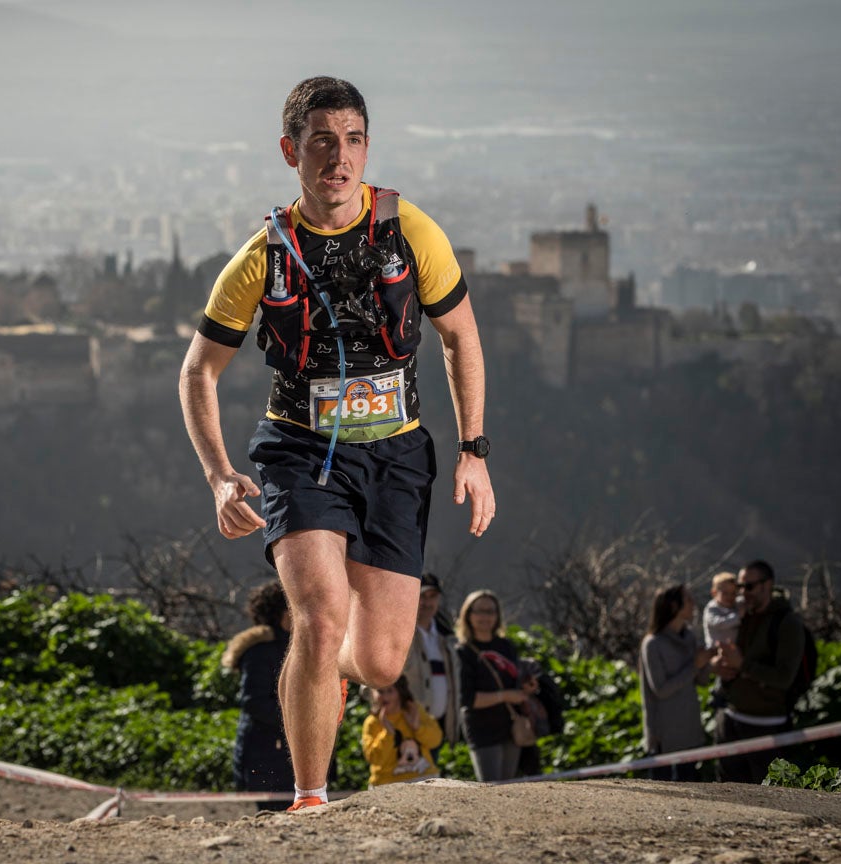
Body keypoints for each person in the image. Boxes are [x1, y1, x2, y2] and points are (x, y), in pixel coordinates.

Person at [179, 76, 495, 811]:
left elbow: (460, 336)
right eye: (322, 141)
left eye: (352, 140)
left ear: (367, 148)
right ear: (291, 151)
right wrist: (220, 475)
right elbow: (198, 370)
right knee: (319, 623)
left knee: (381, 664)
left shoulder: (409, 231)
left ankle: (327, 669)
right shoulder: (263, 255)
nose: (339, 157)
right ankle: (310, 797)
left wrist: (474, 452)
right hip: (300, 452)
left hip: (396, 455)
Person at [712, 560, 805, 783]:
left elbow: (784, 678)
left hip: (767, 728)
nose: (743, 593)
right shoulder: (741, 616)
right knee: (728, 792)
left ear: (768, 585)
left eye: (749, 586)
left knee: (769, 796)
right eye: (740, 587)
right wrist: (717, 665)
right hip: (730, 720)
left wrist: (742, 665)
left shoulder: (787, 623)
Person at [221, 580, 294, 804]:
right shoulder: (260, 651)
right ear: (284, 611)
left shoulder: (294, 646)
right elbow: (254, 702)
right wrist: (298, 722)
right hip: (267, 756)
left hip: (284, 755)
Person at [454, 590, 536, 782]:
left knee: (508, 787)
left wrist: (526, 687)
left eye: (490, 611)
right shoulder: (462, 652)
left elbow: (515, 680)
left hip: (511, 726)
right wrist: (505, 696)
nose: (485, 617)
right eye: (479, 611)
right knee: (491, 789)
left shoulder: (506, 646)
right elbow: (467, 699)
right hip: (482, 730)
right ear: (468, 615)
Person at [639, 584, 714, 781]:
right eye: (688, 600)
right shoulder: (653, 644)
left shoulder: (689, 637)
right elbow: (661, 690)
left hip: (688, 729)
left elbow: (700, 681)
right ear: (674, 606)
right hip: (665, 735)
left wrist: (708, 663)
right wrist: (695, 666)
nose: (693, 604)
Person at [400, 573, 460, 760]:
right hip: (405, 730)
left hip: (437, 729)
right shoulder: (399, 632)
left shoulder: (447, 638)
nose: (427, 602)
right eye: (422, 595)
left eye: (432, 596)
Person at [360, 674, 442, 787]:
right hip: (387, 782)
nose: (385, 696)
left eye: (390, 690)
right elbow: (374, 758)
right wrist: (388, 734)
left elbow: (435, 741)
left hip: (423, 776)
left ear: (400, 691)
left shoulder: (414, 711)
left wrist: (417, 727)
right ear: (372, 694)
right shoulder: (372, 723)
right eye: (380, 691)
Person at [702, 571, 741, 649]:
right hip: (715, 650)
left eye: (733, 593)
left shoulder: (735, 605)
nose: (730, 597)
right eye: (725, 593)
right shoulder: (711, 609)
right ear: (714, 593)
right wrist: (738, 617)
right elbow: (720, 624)